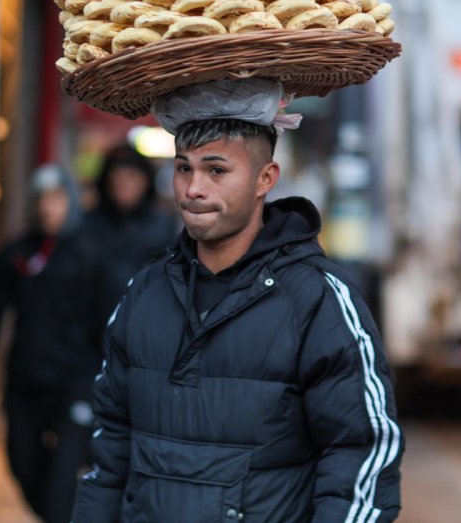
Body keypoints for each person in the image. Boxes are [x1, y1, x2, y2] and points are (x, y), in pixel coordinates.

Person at [72, 107, 404, 522]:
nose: (193, 189)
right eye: (183, 168)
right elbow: (110, 452)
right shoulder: (144, 293)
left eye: (216, 170)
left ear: (266, 178)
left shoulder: (317, 299)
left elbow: (361, 452)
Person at [0, 164, 98, 523]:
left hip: (73, 386)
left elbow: (106, 324)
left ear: (70, 202)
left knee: (61, 482)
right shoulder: (15, 254)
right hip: (24, 382)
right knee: (23, 468)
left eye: (56, 198)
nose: (47, 207)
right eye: (40, 199)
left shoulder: (89, 255)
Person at [78, 143, 175, 327]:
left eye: (131, 176)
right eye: (118, 176)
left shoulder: (161, 225)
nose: (124, 184)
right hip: (89, 331)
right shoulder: (87, 224)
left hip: (145, 326)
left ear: (145, 181)